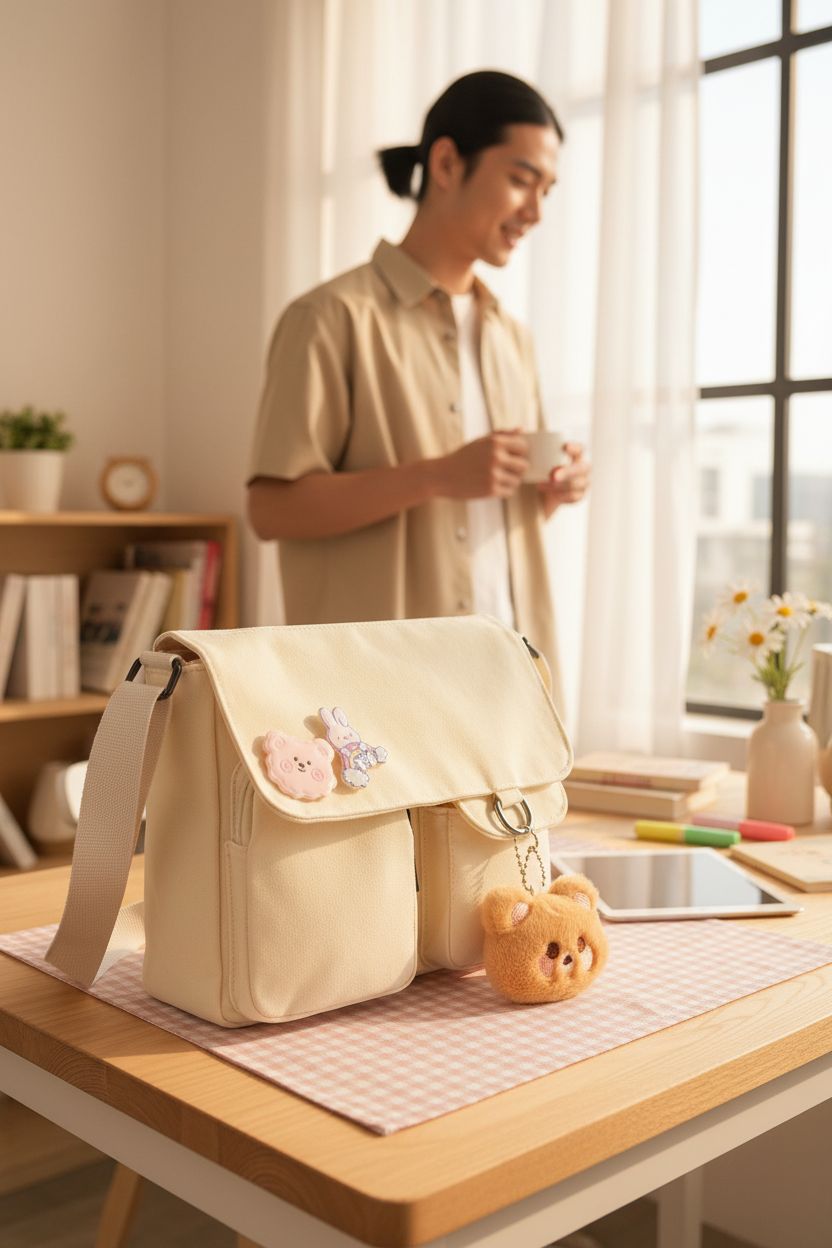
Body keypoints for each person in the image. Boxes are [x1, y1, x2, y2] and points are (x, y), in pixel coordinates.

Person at [247, 70, 590, 703]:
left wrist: (552, 489)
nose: (535, 212)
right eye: (520, 180)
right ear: (446, 162)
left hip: (506, 681)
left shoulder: (512, 338)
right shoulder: (330, 319)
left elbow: (490, 514)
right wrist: (435, 476)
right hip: (382, 695)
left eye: (547, 190)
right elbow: (271, 509)